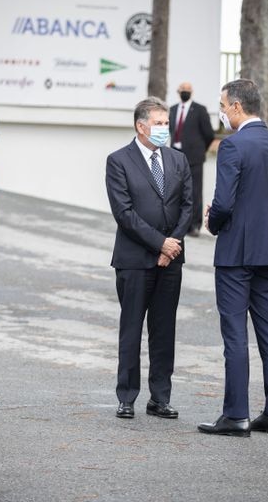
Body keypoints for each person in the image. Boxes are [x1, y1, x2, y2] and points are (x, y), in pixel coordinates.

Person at [197, 79, 268, 437]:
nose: (221, 112)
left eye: (223, 106)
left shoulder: (233, 146)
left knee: (235, 333)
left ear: (237, 107)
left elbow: (223, 202)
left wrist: (213, 221)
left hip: (236, 252)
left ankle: (236, 414)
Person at [105, 97, 193, 420]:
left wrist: (172, 246)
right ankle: (126, 396)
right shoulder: (118, 161)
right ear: (140, 126)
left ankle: (160, 398)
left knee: (163, 329)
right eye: (158, 124)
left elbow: (187, 207)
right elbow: (124, 214)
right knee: (131, 328)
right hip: (134, 259)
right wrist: (160, 244)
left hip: (172, 261)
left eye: (166, 124)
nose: (163, 129)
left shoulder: (178, 160)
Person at [169, 82, 215, 236]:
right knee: (176, 191)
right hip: (175, 156)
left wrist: (201, 149)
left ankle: (194, 225)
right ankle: (178, 223)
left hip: (194, 158)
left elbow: (209, 134)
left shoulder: (200, 110)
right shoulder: (173, 109)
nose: (185, 92)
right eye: (182, 90)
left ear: (192, 92)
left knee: (195, 192)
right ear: (178, 92)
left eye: (187, 90)